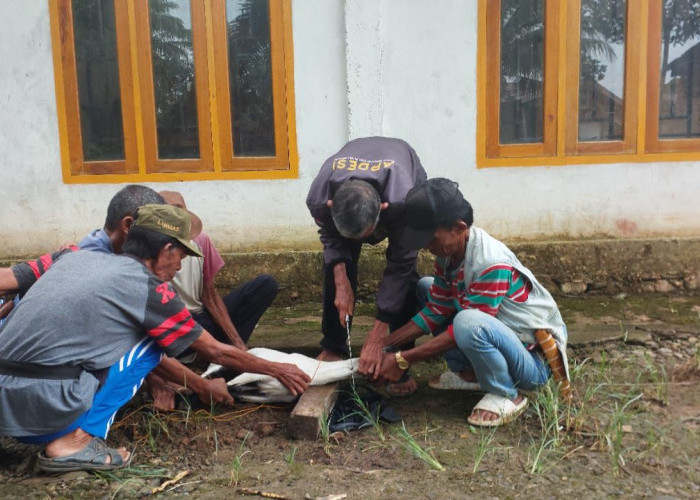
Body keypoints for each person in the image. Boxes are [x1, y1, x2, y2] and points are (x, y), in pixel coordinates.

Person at [0, 205, 310, 472]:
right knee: (151, 340)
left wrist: (199, 385)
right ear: (166, 249)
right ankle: (74, 443)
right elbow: (214, 352)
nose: (178, 267)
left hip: (5, 406)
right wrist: (277, 369)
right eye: (181, 257)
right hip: (42, 413)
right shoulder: (148, 289)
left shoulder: (73, 259)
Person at [373, 178, 569, 427]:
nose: (426, 246)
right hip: (501, 340)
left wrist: (404, 358)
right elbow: (436, 310)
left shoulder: (490, 263)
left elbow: (463, 329)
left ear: (459, 227)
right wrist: (384, 345)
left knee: (468, 321)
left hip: (533, 364)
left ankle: (508, 393)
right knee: (426, 287)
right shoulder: (449, 254)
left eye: (431, 238)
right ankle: (469, 373)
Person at [306, 137, 427, 395]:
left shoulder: (404, 200)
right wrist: (341, 279)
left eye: (365, 235)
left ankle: (399, 356)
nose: (361, 243)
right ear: (331, 206)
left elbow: (401, 265)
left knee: (406, 275)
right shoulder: (320, 196)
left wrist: (377, 336)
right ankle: (333, 347)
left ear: (382, 210)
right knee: (337, 265)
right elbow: (331, 238)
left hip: (405, 166)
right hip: (352, 185)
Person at [161, 190, 278, 351]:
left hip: (200, 318)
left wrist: (237, 341)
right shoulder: (149, 249)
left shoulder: (200, 240)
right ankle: (217, 355)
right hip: (173, 324)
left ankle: (232, 353)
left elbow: (208, 295)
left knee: (265, 285)